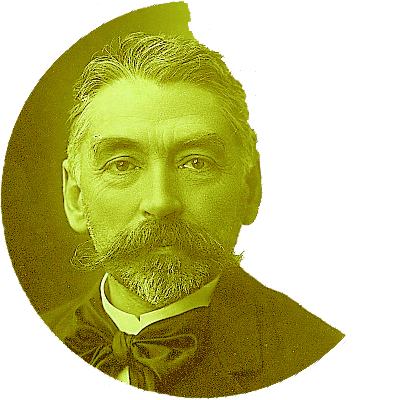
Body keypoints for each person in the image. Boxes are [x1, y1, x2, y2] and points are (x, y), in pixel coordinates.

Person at [43, 32, 346, 397]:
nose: (160, 201)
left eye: (196, 163)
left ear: (251, 190)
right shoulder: (21, 348)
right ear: (75, 198)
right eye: (122, 164)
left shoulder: (325, 359)